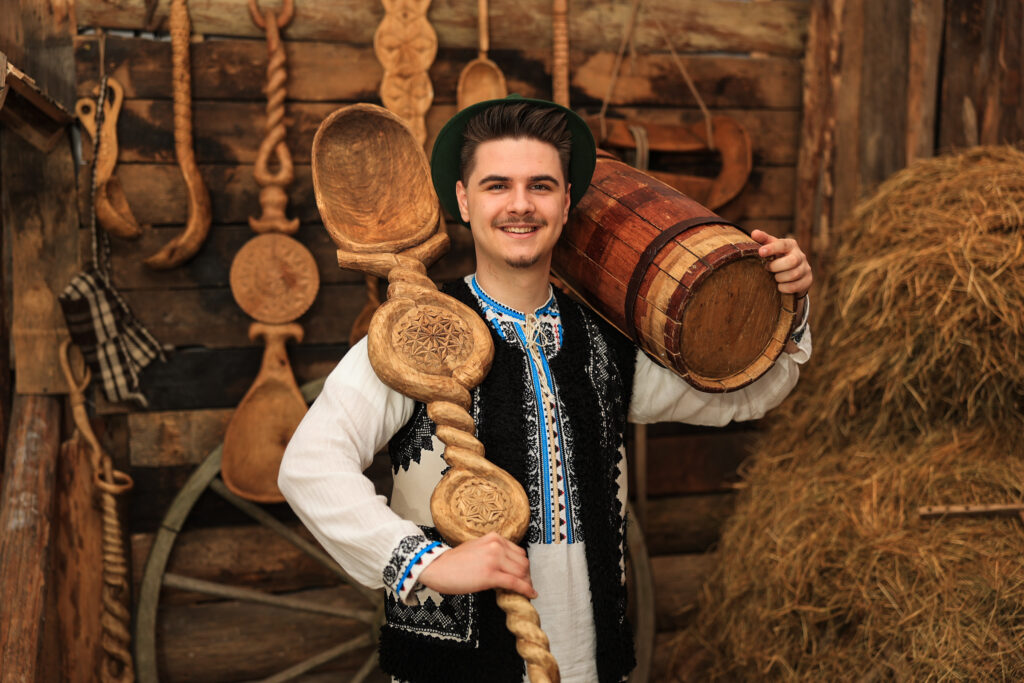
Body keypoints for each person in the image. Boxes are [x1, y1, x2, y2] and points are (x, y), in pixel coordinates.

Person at [279, 95, 813, 683]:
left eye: (540, 185)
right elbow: (310, 465)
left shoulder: (606, 343)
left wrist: (784, 306)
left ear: (565, 202)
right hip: (454, 668)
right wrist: (423, 562)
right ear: (463, 200)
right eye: (496, 186)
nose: (520, 205)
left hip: (587, 660)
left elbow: (746, 395)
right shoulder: (416, 336)